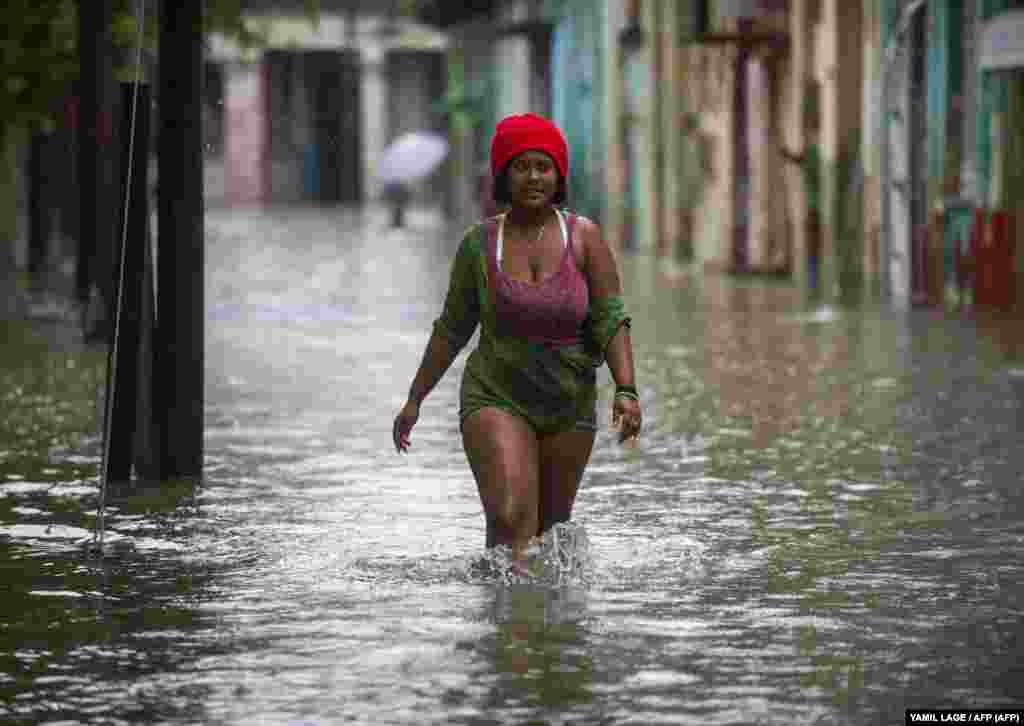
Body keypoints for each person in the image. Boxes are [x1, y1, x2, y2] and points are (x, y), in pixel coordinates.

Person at [392, 113, 641, 567]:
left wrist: (626, 389)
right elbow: (452, 328)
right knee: (509, 518)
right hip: (496, 394)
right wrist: (415, 399)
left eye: (543, 166)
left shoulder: (584, 238)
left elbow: (610, 318)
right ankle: (501, 608)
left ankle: (540, 611)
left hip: (568, 399)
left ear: (558, 175)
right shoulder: (478, 244)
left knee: (552, 533)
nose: (533, 177)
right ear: (504, 175)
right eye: (521, 166)